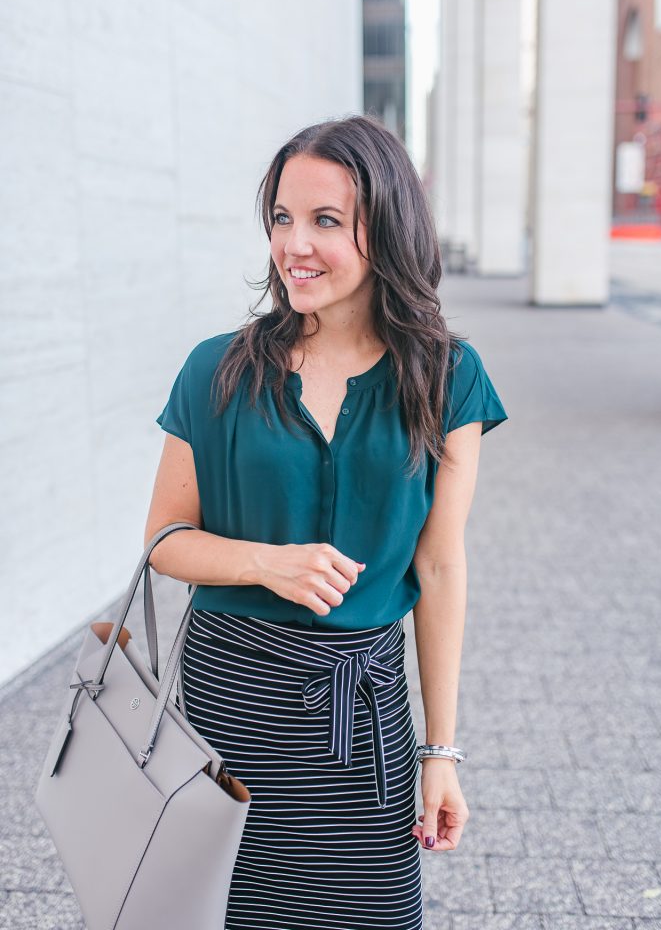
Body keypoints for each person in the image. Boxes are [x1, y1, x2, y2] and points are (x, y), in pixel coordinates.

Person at [145, 113, 509, 929]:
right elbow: (165, 541)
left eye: (326, 221)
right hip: (227, 714)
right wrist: (264, 562)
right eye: (282, 218)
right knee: (220, 912)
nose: (294, 245)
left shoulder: (449, 377)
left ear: (386, 232)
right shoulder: (216, 369)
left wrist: (440, 753)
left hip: (362, 720)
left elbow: (440, 568)